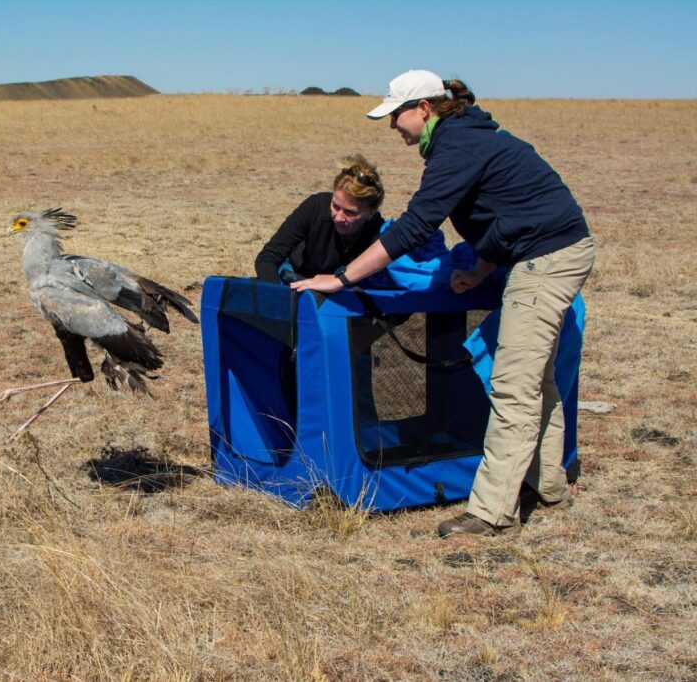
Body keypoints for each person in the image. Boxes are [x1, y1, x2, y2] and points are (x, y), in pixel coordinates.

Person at [291, 70, 596, 538]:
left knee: (513, 387)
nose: (393, 125)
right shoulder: (465, 138)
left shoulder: (457, 146)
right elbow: (512, 215)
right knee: (540, 381)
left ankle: (493, 513)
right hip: (552, 249)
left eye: (396, 114)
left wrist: (342, 277)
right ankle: (549, 485)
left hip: (546, 259)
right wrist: (481, 270)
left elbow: (415, 227)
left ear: (424, 108)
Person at [254, 155, 387, 284]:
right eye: (335, 206)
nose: (339, 217)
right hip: (298, 278)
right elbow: (268, 257)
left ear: (370, 213)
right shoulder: (315, 208)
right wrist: (277, 293)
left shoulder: (379, 231)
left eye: (350, 212)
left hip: (345, 290)